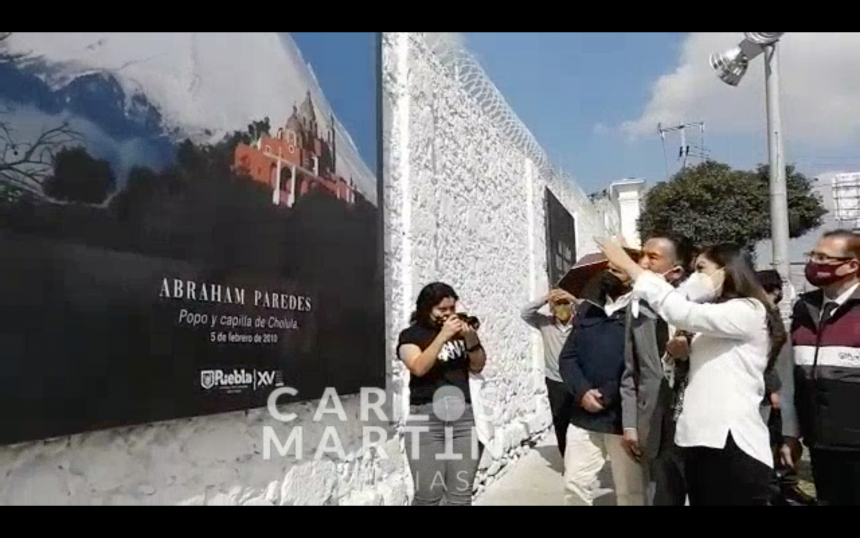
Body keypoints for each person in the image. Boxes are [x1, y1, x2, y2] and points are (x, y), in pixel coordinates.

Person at [599, 239, 787, 506]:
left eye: (701, 269)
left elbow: (680, 310)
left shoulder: (748, 309)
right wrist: (681, 354)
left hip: (731, 441)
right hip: (700, 438)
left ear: (726, 271)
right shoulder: (716, 314)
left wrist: (630, 267)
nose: (695, 278)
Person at [558, 262, 646, 506]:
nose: (610, 272)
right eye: (607, 268)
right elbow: (567, 357)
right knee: (574, 484)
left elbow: (642, 364)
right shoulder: (588, 310)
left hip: (623, 419)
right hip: (584, 415)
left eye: (617, 268)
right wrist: (582, 391)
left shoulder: (641, 311)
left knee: (631, 493)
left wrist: (607, 395)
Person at [619, 233, 695, 506]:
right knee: (660, 494)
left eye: (653, 257)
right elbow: (631, 372)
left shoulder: (699, 308)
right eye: (642, 255)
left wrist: (686, 354)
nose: (643, 263)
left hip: (695, 420)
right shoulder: (637, 310)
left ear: (675, 271)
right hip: (653, 423)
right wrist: (630, 425)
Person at [397, 282, 487, 506]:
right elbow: (418, 367)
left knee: (460, 495)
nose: (448, 314)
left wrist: (471, 340)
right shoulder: (411, 335)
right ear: (426, 309)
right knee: (429, 494)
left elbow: (477, 366)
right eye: (442, 309)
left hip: (463, 418)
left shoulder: (460, 335)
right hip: (426, 419)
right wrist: (442, 337)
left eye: (452, 308)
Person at [791, 229, 860, 506]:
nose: (814, 263)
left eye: (823, 257)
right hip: (819, 440)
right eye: (813, 255)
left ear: (851, 265)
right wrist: (792, 433)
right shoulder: (804, 308)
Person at [755, 269, 816, 506]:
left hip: (776, 399)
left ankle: (785, 485)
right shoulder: (758, 320)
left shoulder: (775, 322)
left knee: (779, 445)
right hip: (764, 399)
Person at [521, 288, 578, 455]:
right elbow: (525, 313)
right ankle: (565, 455)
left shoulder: (580, 323)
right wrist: (546, 298)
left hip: (577, 379)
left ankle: (579, 457)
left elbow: (595, 313)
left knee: (580, 422)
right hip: (555, 381)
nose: (562, 308)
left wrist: (573, 298)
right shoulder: (545, 323)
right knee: (560, 420)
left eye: (565, 304)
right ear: (552, 308)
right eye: (558, 304)